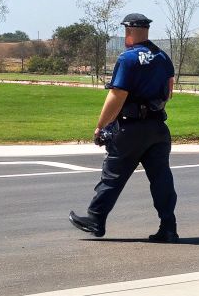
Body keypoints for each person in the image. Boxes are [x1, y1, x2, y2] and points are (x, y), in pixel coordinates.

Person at [69, 13, 178, 241]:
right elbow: (168, 92)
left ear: (128, 31)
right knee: (161, 179)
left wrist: (101, 126)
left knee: (113, 175)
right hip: (158, 127)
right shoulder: (163, 57)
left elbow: (117, 95)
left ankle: (96, 218)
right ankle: (168, 226)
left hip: (131, 129)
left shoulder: (127, 59)